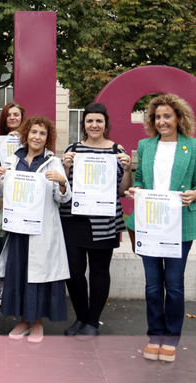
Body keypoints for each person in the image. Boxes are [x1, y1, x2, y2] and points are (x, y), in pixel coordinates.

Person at [125, 94, 196, 362]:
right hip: (151, 224)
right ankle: (155, 336)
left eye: (167, 116)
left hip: (180, 225)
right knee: (153, 286)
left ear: (179, 118)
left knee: (174, 285)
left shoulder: (193, 146)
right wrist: (137, 189)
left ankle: (171, 338)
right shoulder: (145, 146)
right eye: (157, 117)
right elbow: (141, 178)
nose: (162, 121)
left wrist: (194, 194)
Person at [0, 116, 70, 343]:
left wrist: (62, 181)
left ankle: (37, 324)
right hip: (18, 230)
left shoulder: (53, 162)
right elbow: (2, 192)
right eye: (33, 132)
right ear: (26, 135)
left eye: (42, 133)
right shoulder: (12, 160)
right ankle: (23, 321)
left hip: (41, 230)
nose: (37, 137)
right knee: (19, 274)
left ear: (48, 138)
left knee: (38, 277)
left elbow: (62, 198)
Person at [60, 103, 132, 339]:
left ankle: (92, 322)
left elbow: (123, 190)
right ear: (84, 124)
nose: (94, 125)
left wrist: (128, 170)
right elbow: (63, 188)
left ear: (105, 124)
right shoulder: (73, 149)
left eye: (99, 121)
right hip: (74, 220)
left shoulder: (116, 151)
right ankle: (80, 317)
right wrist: (66, 167)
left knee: (99, 271)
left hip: (104, 222)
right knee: (74, 272)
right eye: (90, 121)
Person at [0, 102, 26, 306]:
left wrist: (22, 141)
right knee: (2, 243)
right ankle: (1, 287)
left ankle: (20, 287)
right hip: (2, 198)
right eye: (8, 115)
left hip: (26, 199)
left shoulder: (31, 139)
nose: (12, 118)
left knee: (23, 245)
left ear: (22, 118)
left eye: (16, 114)